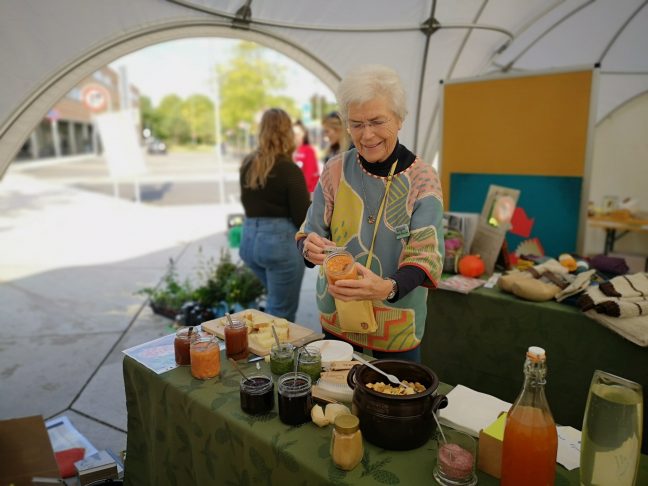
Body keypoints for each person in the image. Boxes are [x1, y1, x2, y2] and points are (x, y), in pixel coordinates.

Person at [296, 64, 445, 362]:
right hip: (338, 318)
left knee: (392, 400)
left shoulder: (422, 178)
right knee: (335, 401)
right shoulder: (335, 169)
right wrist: (307, 247)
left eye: (377, 121)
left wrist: (386, 287)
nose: (366, 135)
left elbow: (426, 256)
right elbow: (308, 232)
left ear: (400, 119)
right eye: (356, 124)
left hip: (396, 326)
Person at [239, 108, 311, 322]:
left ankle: (264, 348)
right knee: (281, 315)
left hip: (250, 241)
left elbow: (249, 202)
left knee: (274, 304)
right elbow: (302, 218)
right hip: (279, 245)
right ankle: (273, 354)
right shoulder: (288, 169)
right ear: (287, 132)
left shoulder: (248, 164)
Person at [292, 120, 320, 193]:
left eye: (297, 134)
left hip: (308, 192)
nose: (295, 137)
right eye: (293, 134)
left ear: (304, 134)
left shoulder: (308, 151)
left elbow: (309, 175)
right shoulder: (290, 150)